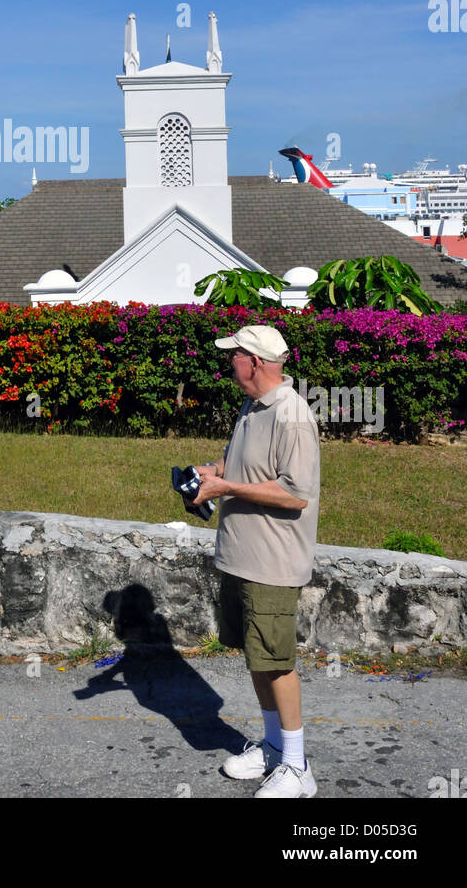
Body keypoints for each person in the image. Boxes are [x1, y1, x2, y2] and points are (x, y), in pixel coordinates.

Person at [191, 324, 320, 799]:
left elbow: (294, 493)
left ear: (257, 363)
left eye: (236, 356)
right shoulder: (252, 407)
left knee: (277, 661)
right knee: (257, 657)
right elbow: (246, 465)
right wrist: (214, 472)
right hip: (241, 556)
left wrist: (227, 488)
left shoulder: (293, 416)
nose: (231, 363)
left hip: (272, 562)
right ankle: (271, 747)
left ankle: (296, 766)